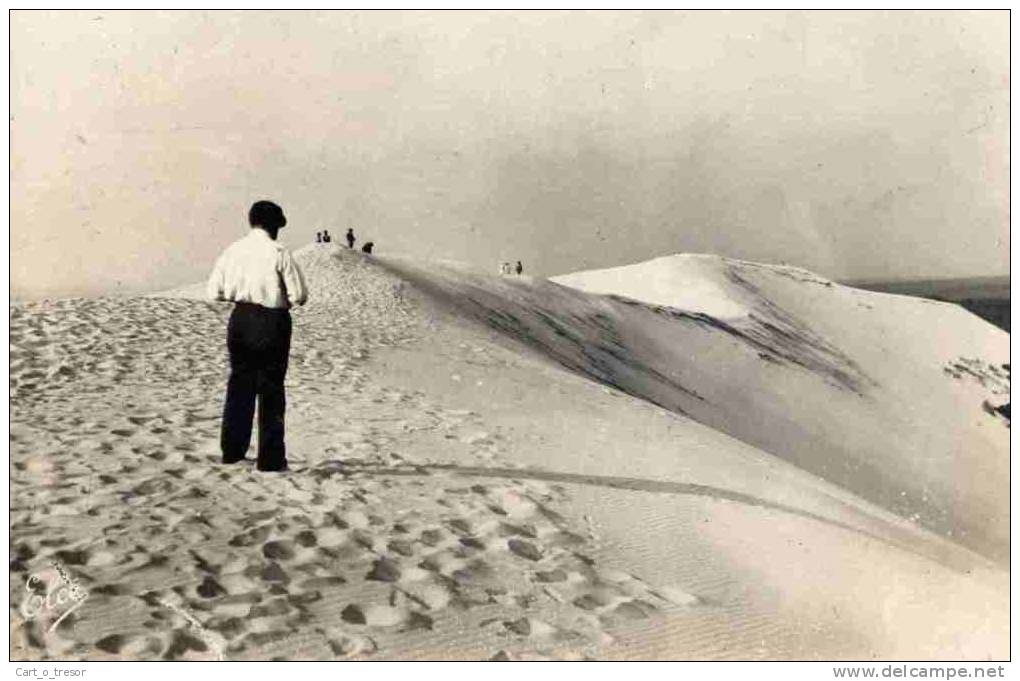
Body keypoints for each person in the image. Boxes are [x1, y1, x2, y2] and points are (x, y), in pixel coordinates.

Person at [206, 200, 308, 472]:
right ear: (273, 225)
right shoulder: (279, 251)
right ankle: (270, 459)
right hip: (272, 322)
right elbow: (300, 296)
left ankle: (232, 452)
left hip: (240, 319)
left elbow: (213, 291)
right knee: (271, 388)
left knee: (239, 384)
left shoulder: (232, 250)